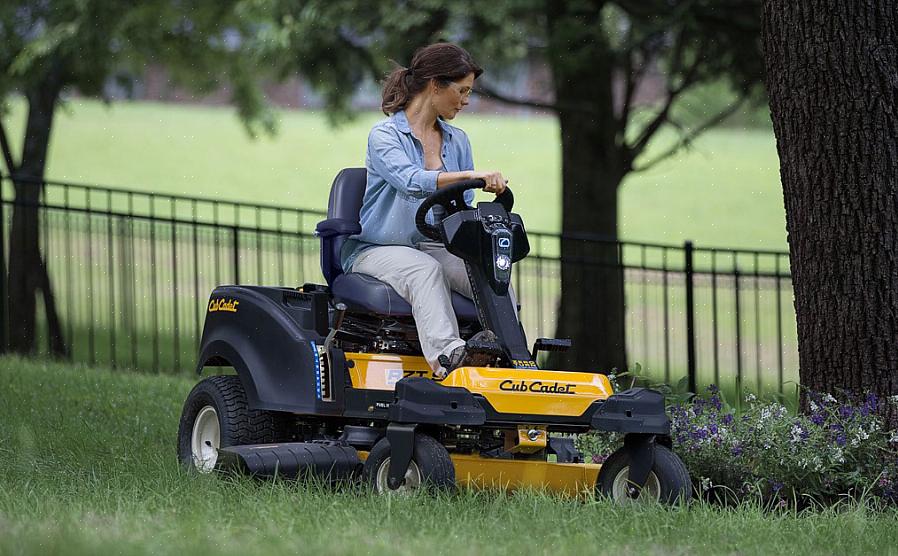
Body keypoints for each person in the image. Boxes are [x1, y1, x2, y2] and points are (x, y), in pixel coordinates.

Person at [340, 43, 512, 379]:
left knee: (490, 271)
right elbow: (410, 181)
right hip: (378, 249)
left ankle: (507, 358)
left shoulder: (458, 141)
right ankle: (450, 360)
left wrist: (480, 192)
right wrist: (470, 175)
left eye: (469, 92)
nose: (465, 101)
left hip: (433, 243)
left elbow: (461, 205)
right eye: (461, 91)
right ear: (435, 85)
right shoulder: (384, 136)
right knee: (425, 270)